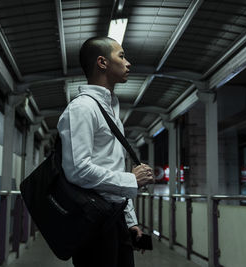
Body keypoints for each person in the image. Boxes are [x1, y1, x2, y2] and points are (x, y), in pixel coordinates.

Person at [57, 36, 154, 267]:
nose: (128, 62)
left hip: (115, 219)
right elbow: (78, 170)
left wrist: (130, 219)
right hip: (93, 223)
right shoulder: (82, 109)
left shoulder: (110, 112)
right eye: (121, 56)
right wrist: (132, 178)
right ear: (102, 62)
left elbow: (113, 169)